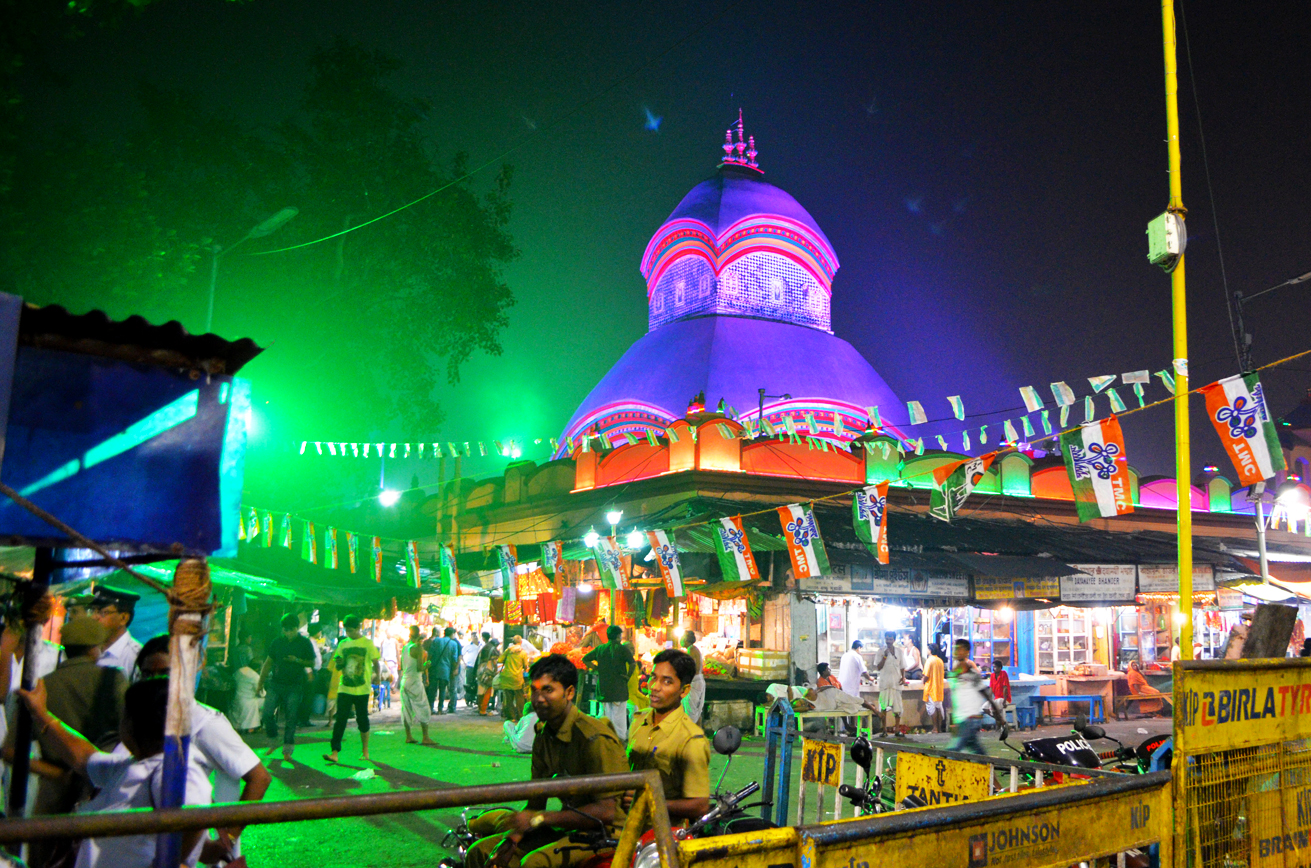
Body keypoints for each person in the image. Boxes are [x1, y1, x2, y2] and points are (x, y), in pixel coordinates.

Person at [17, 677, 213, 868]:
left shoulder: (173, 768)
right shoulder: (139, 764)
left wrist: (168, 863)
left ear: (131, 723)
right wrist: (40, 713)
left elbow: (194, 817)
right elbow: (84, 758)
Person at [466, 654, 628, 868]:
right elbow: (535, 802)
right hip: (566, 827)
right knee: (481, 851)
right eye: (534, 690)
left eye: (548, 690)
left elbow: (607, 811)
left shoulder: (594, 738)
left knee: (534, 863)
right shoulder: (543, 735)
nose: (538, 698)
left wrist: (542, 818)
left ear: (569, 692)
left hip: (607, 835)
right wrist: (513, 838)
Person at [137, 635, 272, 864]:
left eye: (166, 674)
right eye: (147, 674)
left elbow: (259, 777)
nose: (155, 682)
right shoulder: (142, 716)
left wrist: (228, 837)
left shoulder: (204, 723)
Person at [9, 616, 126, 868]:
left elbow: (9, 751)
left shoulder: (41, 687)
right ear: (96, 648)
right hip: (102, 790)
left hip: (52, 796)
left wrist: (56, 774)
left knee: (45, 860)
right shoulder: (114, 681)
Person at [626, 649, 711, 822]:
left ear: (684, 690)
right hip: (626, 824)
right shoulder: (638, 720)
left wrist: (648, 802)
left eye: (667, 682)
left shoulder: (691, 739)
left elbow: (700, 805)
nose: (655, 687)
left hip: (663, 834)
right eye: (653, 677)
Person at [259, 613, 317, 761]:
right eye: (285, 630)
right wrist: (260, 682)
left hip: (294, 685)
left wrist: (297, 660)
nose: (288, 633)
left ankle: (287, 749)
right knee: (267, 713)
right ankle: (274, 740)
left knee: (291, 718)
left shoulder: (304, 643)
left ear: (296, 628)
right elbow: (268, 663)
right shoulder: (277, 642)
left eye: (291, 630)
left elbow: (311, 662)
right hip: (275, 683)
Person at [326, 615, 381, 763]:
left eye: (351, 630)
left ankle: (365, 750)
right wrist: (339, 662)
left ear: (358, 628)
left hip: (362, 689)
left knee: (362, 719)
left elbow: (376, 662)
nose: (348, 633)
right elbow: (338, 665)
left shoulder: (368, 644)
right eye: (347, 630)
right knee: (340, 720)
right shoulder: (343, 644)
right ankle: (334, 752)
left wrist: (378, 677)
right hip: (345, 687)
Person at [946, 639, 1004, 755]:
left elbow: (984, 693)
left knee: (954, 750)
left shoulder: (972, 673)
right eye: (956, 649)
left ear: (967, 652)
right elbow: (954, 697)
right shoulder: (953, 673)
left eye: (960, 649)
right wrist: (953, 720)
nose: (957, 652)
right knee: (976, 749)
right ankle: (988, 770)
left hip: (971, 717)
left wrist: (998, 714)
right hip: (961, 718)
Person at [584, 626, 635, 739]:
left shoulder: (600, 649)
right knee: (619, 716)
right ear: (618, 636)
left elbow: (585, 659)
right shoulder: (622, 649)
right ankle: (619, 740)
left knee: (606, 715)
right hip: (619, 688)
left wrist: (595, 668)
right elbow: (633, 663)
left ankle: (606, 738)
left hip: (604, 688)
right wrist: (627, 676)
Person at [90, 588, 143, 677]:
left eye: (103, 612)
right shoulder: (90, 649)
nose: (94, 617)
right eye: (93, 611)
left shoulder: (135, 656)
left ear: (123, 618)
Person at [401, 625, 437, 745]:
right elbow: (420, 668)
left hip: (404, 680)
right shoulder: (418, 648)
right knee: (423, 708)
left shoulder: (405, 647)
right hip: (415, 681)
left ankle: (408, 736)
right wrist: (427, 664)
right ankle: (425, 737)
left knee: (406, 709)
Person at [872, 631, 905, 735]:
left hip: (896, 683)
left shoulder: (899, 652)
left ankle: (897, 730)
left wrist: (903, 677)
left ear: (894, 640)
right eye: (887, 639)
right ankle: (884, 730)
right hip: (885, 683)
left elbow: (902, 666)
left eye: (890, 639)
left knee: (898, 708)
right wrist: (885, 657)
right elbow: (878, 667)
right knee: (883, 707)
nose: (888, 641)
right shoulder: (881, 651)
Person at [494, 636, 529, 722]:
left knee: (508, 699)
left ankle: (511, 717)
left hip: (506, 677)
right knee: (519, 698)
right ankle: (520, 716)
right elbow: (526, 666)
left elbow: (500, 660)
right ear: (520, 642)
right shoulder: (523, 653)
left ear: (513, 642)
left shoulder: (508, 651)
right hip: (517, 678)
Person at [429, 626, 462, 714]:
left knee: (433, 690)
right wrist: (454, 669)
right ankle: (440, 709)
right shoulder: (453, 644)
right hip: (445, 671)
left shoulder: (436, 640)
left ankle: (431, 708)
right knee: (442, 690)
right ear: (452, 634)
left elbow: (430, 654)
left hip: (434, 669)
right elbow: (454, 660)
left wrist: (429, 665)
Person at [229, 650, 264, 733]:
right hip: (248, 702)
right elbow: (262, 693)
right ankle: (257, 725)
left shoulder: (240, 670)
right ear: (258, 668)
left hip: (236, 700)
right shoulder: (256, 677)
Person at [680, 630, 706, 725]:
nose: (680, 641)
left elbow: (689, 668)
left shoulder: (691, 650)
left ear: (686, 640)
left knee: (691, 710)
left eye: (682, 638)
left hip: (694, 681)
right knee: (695, 710)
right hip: (697, 680)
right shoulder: (693, 649)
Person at [922, 644, 947, 733]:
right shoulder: (940, 661)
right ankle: (939, 728)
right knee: (938, 707)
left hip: (931, 688)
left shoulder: (929, 661)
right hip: (939, 688)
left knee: (932, 708)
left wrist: (923, 680)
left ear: (930, 650)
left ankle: (935, 728)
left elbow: (926, 676)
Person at [478, 637, 502, 715]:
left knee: (480, 690)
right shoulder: (493, 650)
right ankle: (483, 710)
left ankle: (480, 708)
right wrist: (496, 671)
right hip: (488, 671)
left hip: (480, 670)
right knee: (488, 690)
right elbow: (496, 662)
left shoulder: (484, 648)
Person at [465, 631, 488, 706]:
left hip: (480, 667)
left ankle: (478, 699)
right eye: (473, 636)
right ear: (471, 638)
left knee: (479, 683)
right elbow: (461, 654)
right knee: (469, 683)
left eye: (476, 636)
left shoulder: (482, 645)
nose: (475, 637)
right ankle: (469, 699)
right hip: (470, 667)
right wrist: (465, 663)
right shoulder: (468, 646)